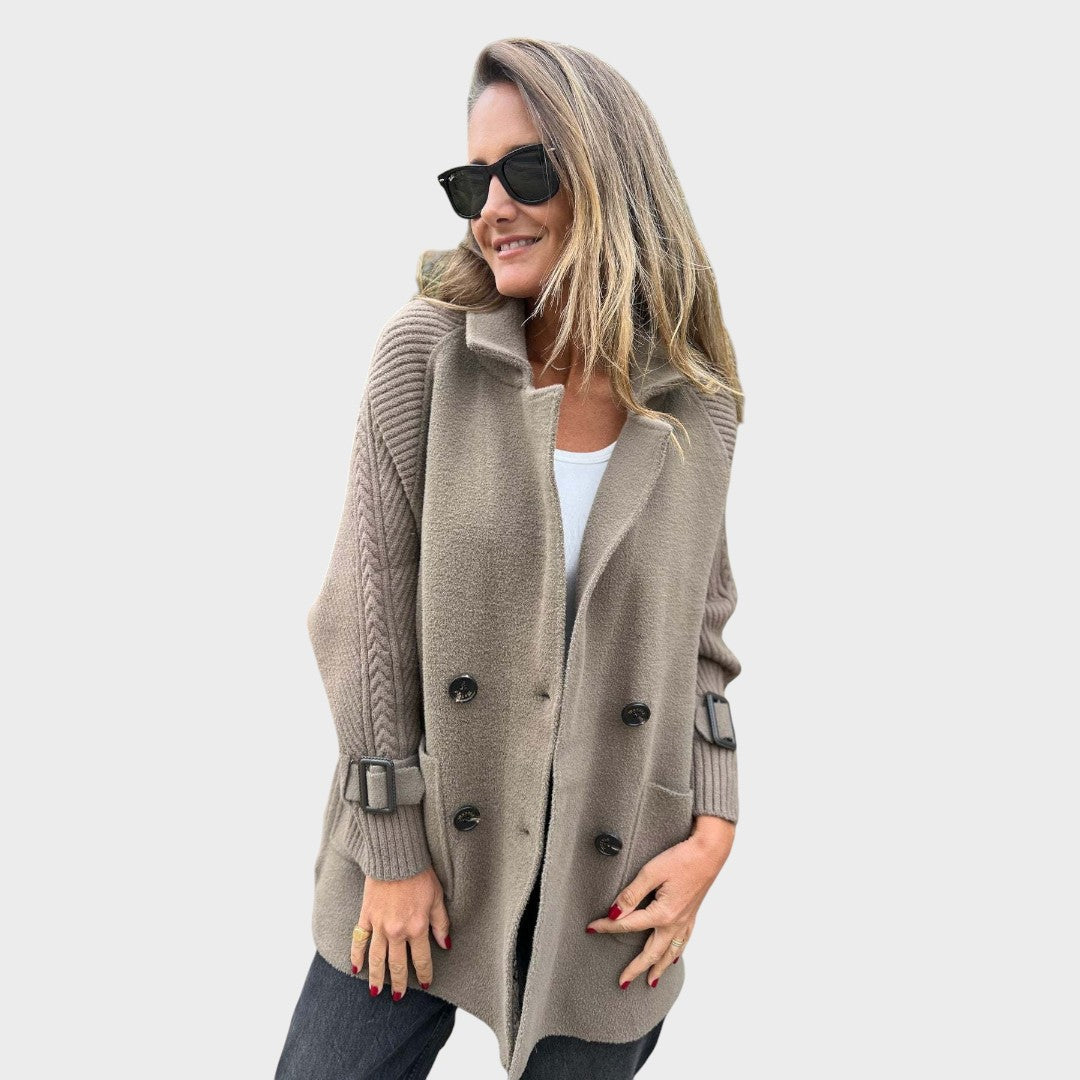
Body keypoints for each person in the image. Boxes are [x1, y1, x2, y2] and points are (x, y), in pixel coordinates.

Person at [275, 35, 745, 1080]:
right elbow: (361, 618)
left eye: (526, 170)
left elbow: (703, 642)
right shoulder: (427, 355)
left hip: (609, 874)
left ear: (609, 173)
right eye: (470, 181)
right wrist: (391, 848)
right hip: (420, 848)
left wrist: (713, 829)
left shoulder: (698, 407)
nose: (492, 206)